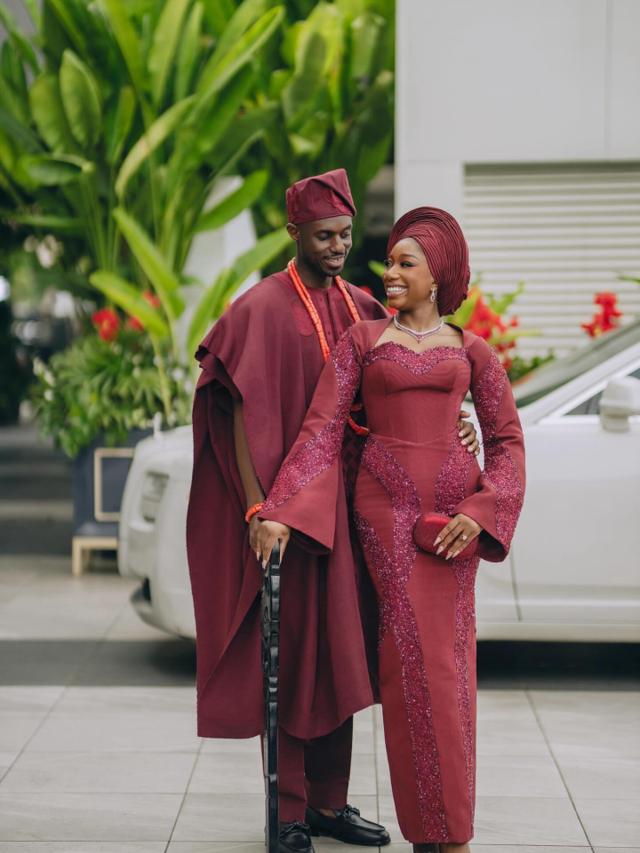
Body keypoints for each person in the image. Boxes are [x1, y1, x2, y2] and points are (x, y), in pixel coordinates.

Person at [187, 176, 480, 853]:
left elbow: (410, 383)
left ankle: (330, 801)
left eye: (348, 236)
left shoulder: (366, 307)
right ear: (297, 233)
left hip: (354, 515)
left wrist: (460, 426)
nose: (340, 248)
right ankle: (288, 809)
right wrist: (259, 503)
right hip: (285, 518)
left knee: (344, 657)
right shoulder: (259, 307)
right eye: (326, 237)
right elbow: (228, 406)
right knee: (288, 658)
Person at [257, 207, 526, 853]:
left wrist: (481, 511)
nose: (390, 273)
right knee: (410, 661)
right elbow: (321, 428)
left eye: (407, 264)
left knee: (452, 665)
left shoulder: (473, 350)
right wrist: (277, 507)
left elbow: (508, 442)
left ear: (438, 277)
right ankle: (433, 829)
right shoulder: (363, 342)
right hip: (385, 512)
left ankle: (449, 826)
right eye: (391, 262)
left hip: (454, 525)